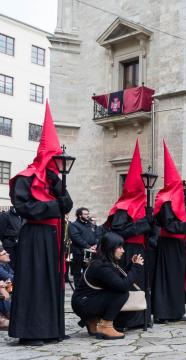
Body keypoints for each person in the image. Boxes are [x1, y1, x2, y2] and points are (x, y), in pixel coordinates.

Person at [9, 102, 74, 346]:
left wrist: (59, 186)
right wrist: (53, 206)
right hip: (35, 236)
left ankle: (51, 328)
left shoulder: (54, 179)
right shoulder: (25, 179)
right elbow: (24, 207)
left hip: (52, 236)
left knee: (51, 281)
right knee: (34, 281)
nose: (57, 162)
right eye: (54, 158)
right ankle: (30, 332)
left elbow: (67, 204)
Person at [103, 140, 152, 329]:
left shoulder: (142, 206)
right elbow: (117, 232)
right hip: (126, 250)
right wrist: (142, 225)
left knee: (140, 283)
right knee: (129, 284)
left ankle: (141, 318)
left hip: (140, 248)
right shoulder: (122, 208)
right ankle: (125, 320)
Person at [152, 142, 186, 323]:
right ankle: (164, 312)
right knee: (168, 279)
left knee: (177, 279)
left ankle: (175, 310)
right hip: (169, 245)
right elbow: (171, 226)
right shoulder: (165, 201)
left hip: (178, 245)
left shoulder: (173, 200)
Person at [71, 232, 144, 340]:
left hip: (84, 301)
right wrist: (136, 268)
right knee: (122, 294)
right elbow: (123, 286)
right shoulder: (101, 266)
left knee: (118, 292)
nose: (123, 250)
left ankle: (93, 321)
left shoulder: (104, 262)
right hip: (83, 303)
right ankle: (105, 325)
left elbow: (116, 278)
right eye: (119, 247)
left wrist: (131, 265)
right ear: (110, 248)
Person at [69, 207, 98, 288]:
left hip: (89, 252)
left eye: (88, 214)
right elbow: (76, 237)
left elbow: (97, 235)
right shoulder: (74, 225)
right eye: (85, 214)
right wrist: (88, 246)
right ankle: (78, 290)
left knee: (87, 270)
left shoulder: (91, 225)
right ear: (79, 215)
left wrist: (96, 244)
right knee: (77, 272)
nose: (87, 216)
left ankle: (86, 288)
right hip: (79, 252)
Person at [0, 245, 13, 329]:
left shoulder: (5, 265)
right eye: (4, 253)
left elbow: (13, 277)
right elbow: (13, 277)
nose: (8, 254)